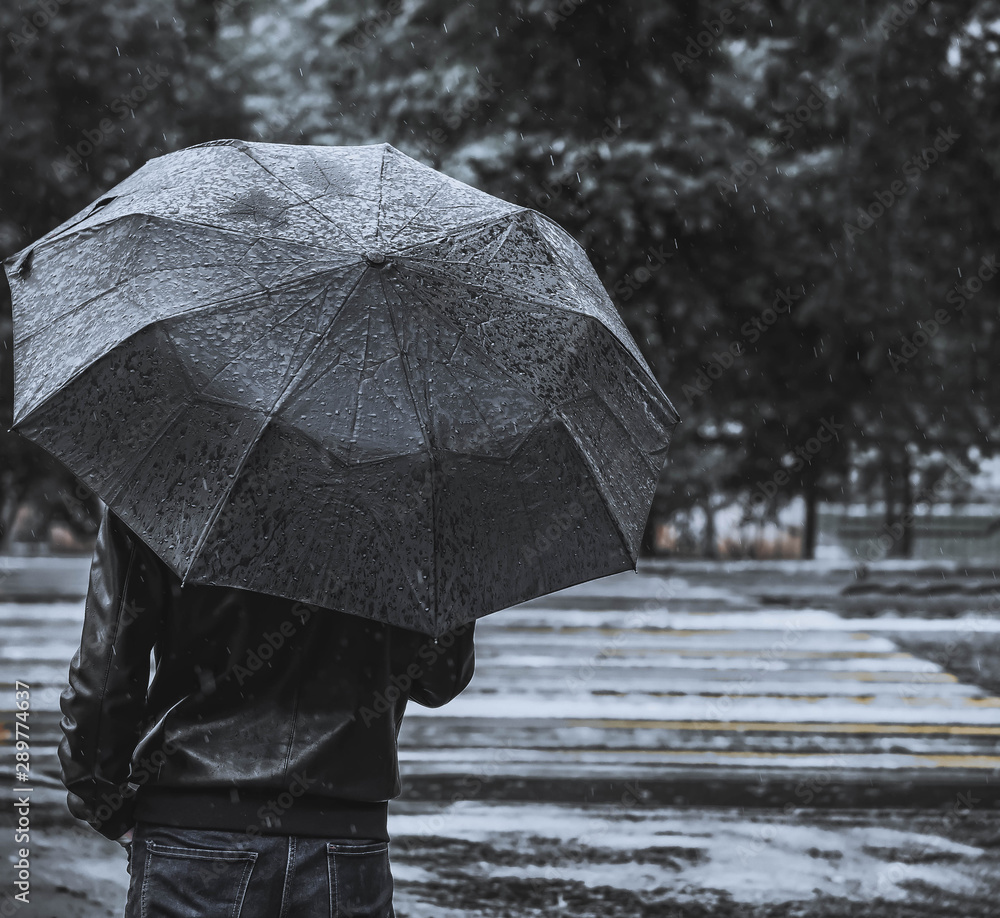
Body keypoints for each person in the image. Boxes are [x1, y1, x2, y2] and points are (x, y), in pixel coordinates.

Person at [58, 503, 476, 917]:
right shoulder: (414, 502)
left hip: (195, 834)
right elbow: (440, 678)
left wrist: (105, 802)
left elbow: (105, 673)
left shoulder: (166, 487)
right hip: (348, 843)